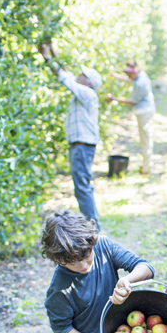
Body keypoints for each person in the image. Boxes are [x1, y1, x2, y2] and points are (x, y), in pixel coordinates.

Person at [42, 208, 154, 333]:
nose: (82, 265)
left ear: (92, 242)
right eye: (72, 262)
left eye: (87, 255)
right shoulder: (59, 289)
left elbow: (145, 267)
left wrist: (128, 281)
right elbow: (64, 330)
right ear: (58, 260)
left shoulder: (104, 247)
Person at [38, 42, 102, 230]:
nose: (78, 75)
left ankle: (93, 227)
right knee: (81, 186)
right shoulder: (82, 92)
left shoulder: (87, 93)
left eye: (83, 74)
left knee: (82, 187)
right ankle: (91, 225)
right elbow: (65, 72)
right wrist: (53, 51)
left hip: (82, 145)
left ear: (88, 82)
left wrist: (47, 57)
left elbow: (65, 79)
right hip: (80, 145)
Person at [106, 60, 156, 174]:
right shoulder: (141, 75)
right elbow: (130, 80)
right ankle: (146, 164)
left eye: (128, 74)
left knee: (145, 139)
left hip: (144, 112)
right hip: (147, 109)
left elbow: (132, 101)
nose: (127, 76)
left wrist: (114, 99)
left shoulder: (140, 84)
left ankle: (146, 167)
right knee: (146, 137)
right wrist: (116, 76)